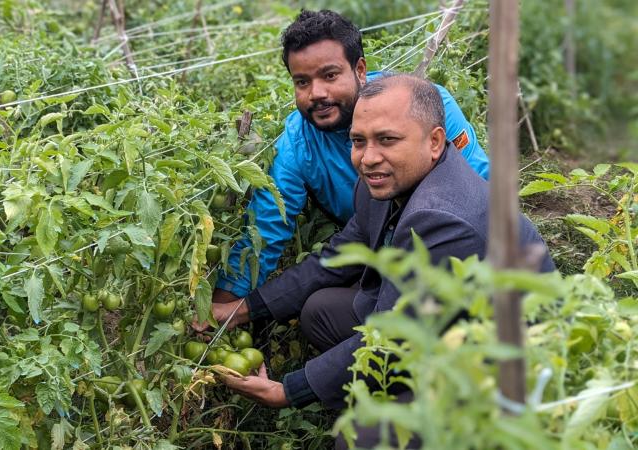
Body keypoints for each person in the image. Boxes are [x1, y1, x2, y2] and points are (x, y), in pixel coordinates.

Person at [196, 73, 555, 448]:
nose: (368, 158)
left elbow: (390, 335)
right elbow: (336, 259)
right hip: (445, 333)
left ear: (434, 141)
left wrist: (287, 390)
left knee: (359, 439)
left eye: (387, 139)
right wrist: (244, 308)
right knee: (322, 311)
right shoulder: (388, 184)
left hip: (500, 372)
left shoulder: (444, 219)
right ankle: (398, 393)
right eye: (358, 141)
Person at [213, 9, 490, 304]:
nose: (316, 93)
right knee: (322, 311)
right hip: (372, 255)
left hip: (454, 254)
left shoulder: (427, 108)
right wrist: (224, 305)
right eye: (302, 82)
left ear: (359, 70)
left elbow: (480, 189)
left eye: (330, 75)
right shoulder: (298, 140)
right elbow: (268, 226)